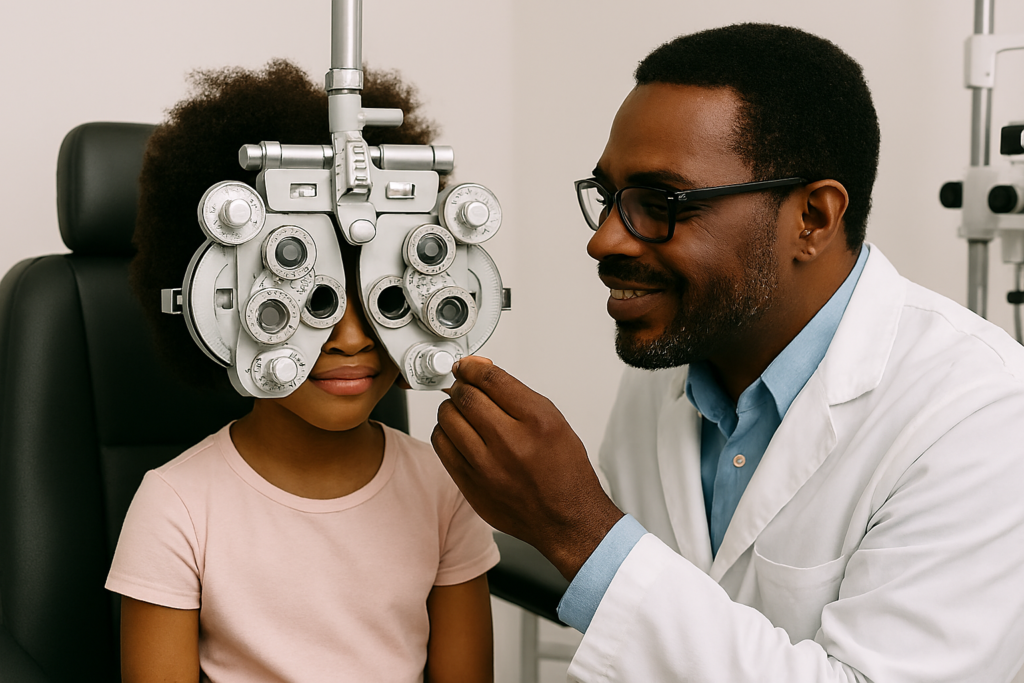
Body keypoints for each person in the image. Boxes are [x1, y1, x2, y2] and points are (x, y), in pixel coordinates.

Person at [432, 23, 1024, 682]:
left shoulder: (980, 415)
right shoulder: (671, 366)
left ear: (813, 218)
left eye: (660, 203)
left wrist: (578, 530)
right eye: (608, 198)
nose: (604, 240)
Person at [106, 60, 499, 683]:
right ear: (222, 301)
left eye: (383, 298)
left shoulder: (443, 488)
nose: (351, 338)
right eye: (315, 300)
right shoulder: (177, 506)